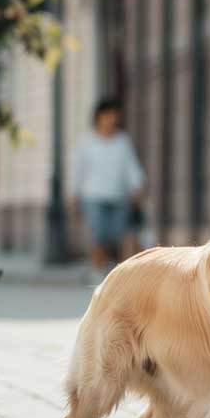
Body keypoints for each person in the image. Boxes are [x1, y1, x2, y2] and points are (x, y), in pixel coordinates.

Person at [73, 98, 146, 281]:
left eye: (115, 115)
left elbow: (132, 167)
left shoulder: (122, 142)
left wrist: (138, 185)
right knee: (98, 235)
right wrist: (74, 194)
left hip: (118, 196)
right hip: (93, 197)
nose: (112, 119)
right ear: (99, 117)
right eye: (108, 115)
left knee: (121, 236)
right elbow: (78, 170)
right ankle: (98, 274)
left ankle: (119, 277)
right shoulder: (87, 143)